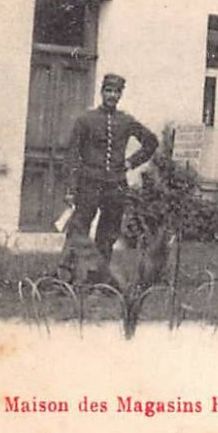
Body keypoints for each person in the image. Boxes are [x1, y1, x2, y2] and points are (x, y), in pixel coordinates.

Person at [56, 73, 160, 285]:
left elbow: (151, 142)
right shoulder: (86, 120)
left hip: (115, 186)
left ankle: (98, 280)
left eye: (116, 92)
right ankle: (65, 279)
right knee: (78, 230)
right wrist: (70, 188)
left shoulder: (126, 121)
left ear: (120, 95)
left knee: (107, 234)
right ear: (102, 92)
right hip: (88, 184)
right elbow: (72, 155)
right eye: (108, 91)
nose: (112, 95)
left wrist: (130, 163)